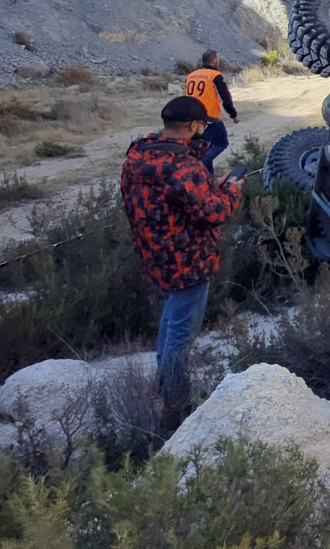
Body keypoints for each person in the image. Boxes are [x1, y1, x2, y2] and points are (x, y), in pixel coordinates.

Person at [121, 96, 244, 424]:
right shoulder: (184, 166)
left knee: (170, 323)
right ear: (193, 126)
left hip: (156, 256)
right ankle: (176, 406)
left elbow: (177, 200)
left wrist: (208, 188)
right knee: (180, 334)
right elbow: (212, 213)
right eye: (202, 125)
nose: (203, 130)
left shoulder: (138, 155)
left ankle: (166, 386)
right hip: (189, 261)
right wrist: (231, 192)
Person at [184, 50, 240, 173]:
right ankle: (202, 163)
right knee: (221, 143)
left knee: (201, 148)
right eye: (217, 59)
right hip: (208, 118)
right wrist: (233, 115)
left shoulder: (191, 75)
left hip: (190, 119)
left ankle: (207, 178)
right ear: (214, 60)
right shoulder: (215, 76)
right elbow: (226, 98)